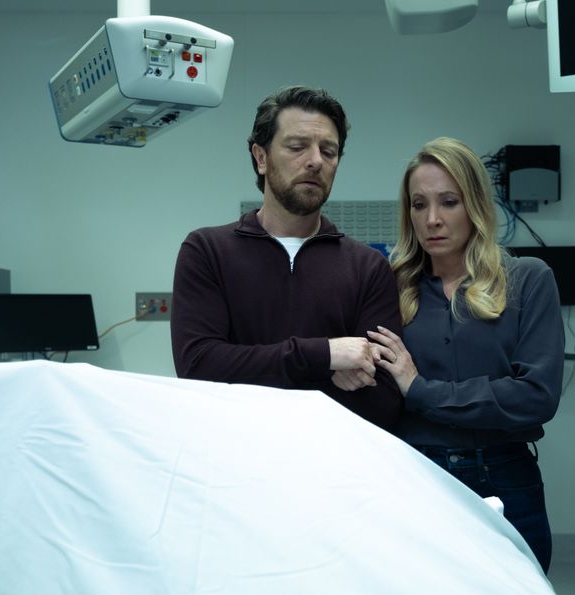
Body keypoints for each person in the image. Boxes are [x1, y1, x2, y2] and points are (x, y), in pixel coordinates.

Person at [368, 137, 564, 573]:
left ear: (474, 202)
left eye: (449, 202)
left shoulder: (528, 280)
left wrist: (420, 391)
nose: (432, 219)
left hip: (506, 477)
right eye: (419, 205)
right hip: (418, 476)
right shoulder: (389, 288)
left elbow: (536, 397)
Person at [170, 85, 403, 431]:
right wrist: (327, 357)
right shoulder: (207, 251)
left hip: (333, 467)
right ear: (261, 157)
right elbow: (200, 367)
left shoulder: (368, 267)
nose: (315, 161)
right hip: (233, 461)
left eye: (329, 151)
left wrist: (256, 368)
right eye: (297, 147)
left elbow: (383, 399)